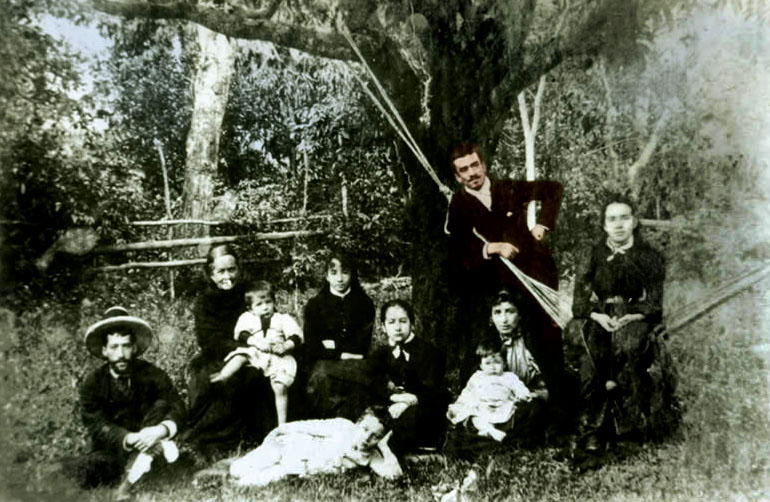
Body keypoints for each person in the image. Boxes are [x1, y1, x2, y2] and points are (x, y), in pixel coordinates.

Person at [445, 142, 569, 423]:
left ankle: (559, 412)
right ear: (457, 177)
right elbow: (457, 251)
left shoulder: (508, 188)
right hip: (491, 282)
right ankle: (494, 409)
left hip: (532, 274)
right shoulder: (458, 205)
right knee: (489, 339)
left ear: (483, 165)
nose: (472, 173)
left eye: (475, 165)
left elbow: (553, 189)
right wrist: (491, 248)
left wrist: (542, 225)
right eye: (464, 170)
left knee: (545, 337)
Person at [571, 197, 677, 454]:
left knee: (629, 349)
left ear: (635, 222)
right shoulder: (593, 254)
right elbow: (579, 303)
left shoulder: (649, 256)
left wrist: (633, 316)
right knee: (592, 354)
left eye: (624, 218)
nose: (618, 225)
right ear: (604, 225)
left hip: (635, 315)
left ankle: (629, 427)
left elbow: (655, 303)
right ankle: (594, 429)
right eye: (612, 219)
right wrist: (598, 316)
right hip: (601, 315)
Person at [64, 307, 185, 501]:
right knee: (87, 469)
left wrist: (160, 430)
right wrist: (129, 438)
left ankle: (133, 482)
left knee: (161, 408)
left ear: (134, 348)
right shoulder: (93, 383)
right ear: (104, 350)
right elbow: (96, 424)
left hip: (152, 441)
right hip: (114, 449)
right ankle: (129, 478)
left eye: (126, 346)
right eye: (114, 347)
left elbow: (177, 406)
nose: (120, 354)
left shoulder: (153, 374)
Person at [184, 245, 275, 456]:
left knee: (263, 374)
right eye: (221, 271)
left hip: (257, 350)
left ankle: (260, 435)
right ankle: (219, 440)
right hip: (219, 354)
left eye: (232, 270)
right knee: (214, 379)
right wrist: (241, 348)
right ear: (211, 274)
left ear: (238, 269)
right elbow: (209, 340)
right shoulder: (204, 301)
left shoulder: (249, 293)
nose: (228, 277)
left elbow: (269, 318)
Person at [197, 406, 401, 487]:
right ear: (358, 423)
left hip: (296, 468)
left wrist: (385, 447)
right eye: (365, 429)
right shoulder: (343, 426)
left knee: (249, 482)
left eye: (375, 436)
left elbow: (394, 475)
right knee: (239, 469)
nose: (367, 438)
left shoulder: (371, 456)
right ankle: (225, 468)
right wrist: (279, 431)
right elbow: (310, 425)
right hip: (290, 446)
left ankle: (223, 482)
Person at [211, 280, 303, 425]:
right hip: (257, 352)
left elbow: (296, 335)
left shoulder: (282, 318)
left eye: (268, 302)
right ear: (250, 308)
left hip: (278, 356)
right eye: (259, 304)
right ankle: (223, 376)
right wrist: (256, 342)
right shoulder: (247, 318)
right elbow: (241, 334)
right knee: (241, 356)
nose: (265, 307)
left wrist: (285, 345)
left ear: (274, 302)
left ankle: (282, 424)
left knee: (279, 387)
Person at [369, 299, 450, 455]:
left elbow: (433, 389)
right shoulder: (380, 354)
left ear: (412, 324)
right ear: (383, 327)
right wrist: (393, 397)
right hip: (392, 403)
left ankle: (410, 448)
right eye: (391, 322)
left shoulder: (430, 353)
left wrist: (408, 401)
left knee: (418, 416)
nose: (397, 327)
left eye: (403, 321)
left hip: (420, 405)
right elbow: (373, 382)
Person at [303, 251, 376, 419]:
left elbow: (361, 345)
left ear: (352, 274)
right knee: (322, 379)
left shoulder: (364, 303)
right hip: (324, 363)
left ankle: (354, 422)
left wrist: (332, 345)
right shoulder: (315, 305)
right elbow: (313, 346)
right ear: (327, 276)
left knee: (363, 382)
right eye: (334, 273)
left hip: (355, 362)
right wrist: (340, 353)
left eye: (345, 272)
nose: (340, 279)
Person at [447, 338, 533, 442]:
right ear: (481, 365)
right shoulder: (477, 377)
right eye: (487, 363)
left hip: (503, 406)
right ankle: (491, 431)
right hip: (482, 407)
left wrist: (523, 394)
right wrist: (457, 407)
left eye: (497, 362)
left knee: (515, 415)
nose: (492, 367)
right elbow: (468, 393)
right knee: (474, 417)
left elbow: (519, 387)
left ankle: (490, 432)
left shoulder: (509, 377)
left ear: (504, 364)